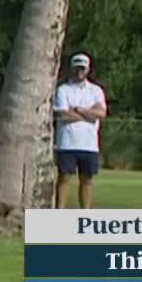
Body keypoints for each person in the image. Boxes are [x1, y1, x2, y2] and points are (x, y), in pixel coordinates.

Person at [54, 51, 109, 209]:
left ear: (88, 69)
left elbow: (101, 113)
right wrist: (89, 114)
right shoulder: (63, 89)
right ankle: (59, 213)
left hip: (89, 144)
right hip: (67, 143)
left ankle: (85, 214)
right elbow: (63, 115)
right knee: (64, 179)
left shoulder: (96, 90)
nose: (80, 71)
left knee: (87, 180)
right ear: (72, 68)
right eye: (77, 67)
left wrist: (78, 109)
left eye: (83, 68)